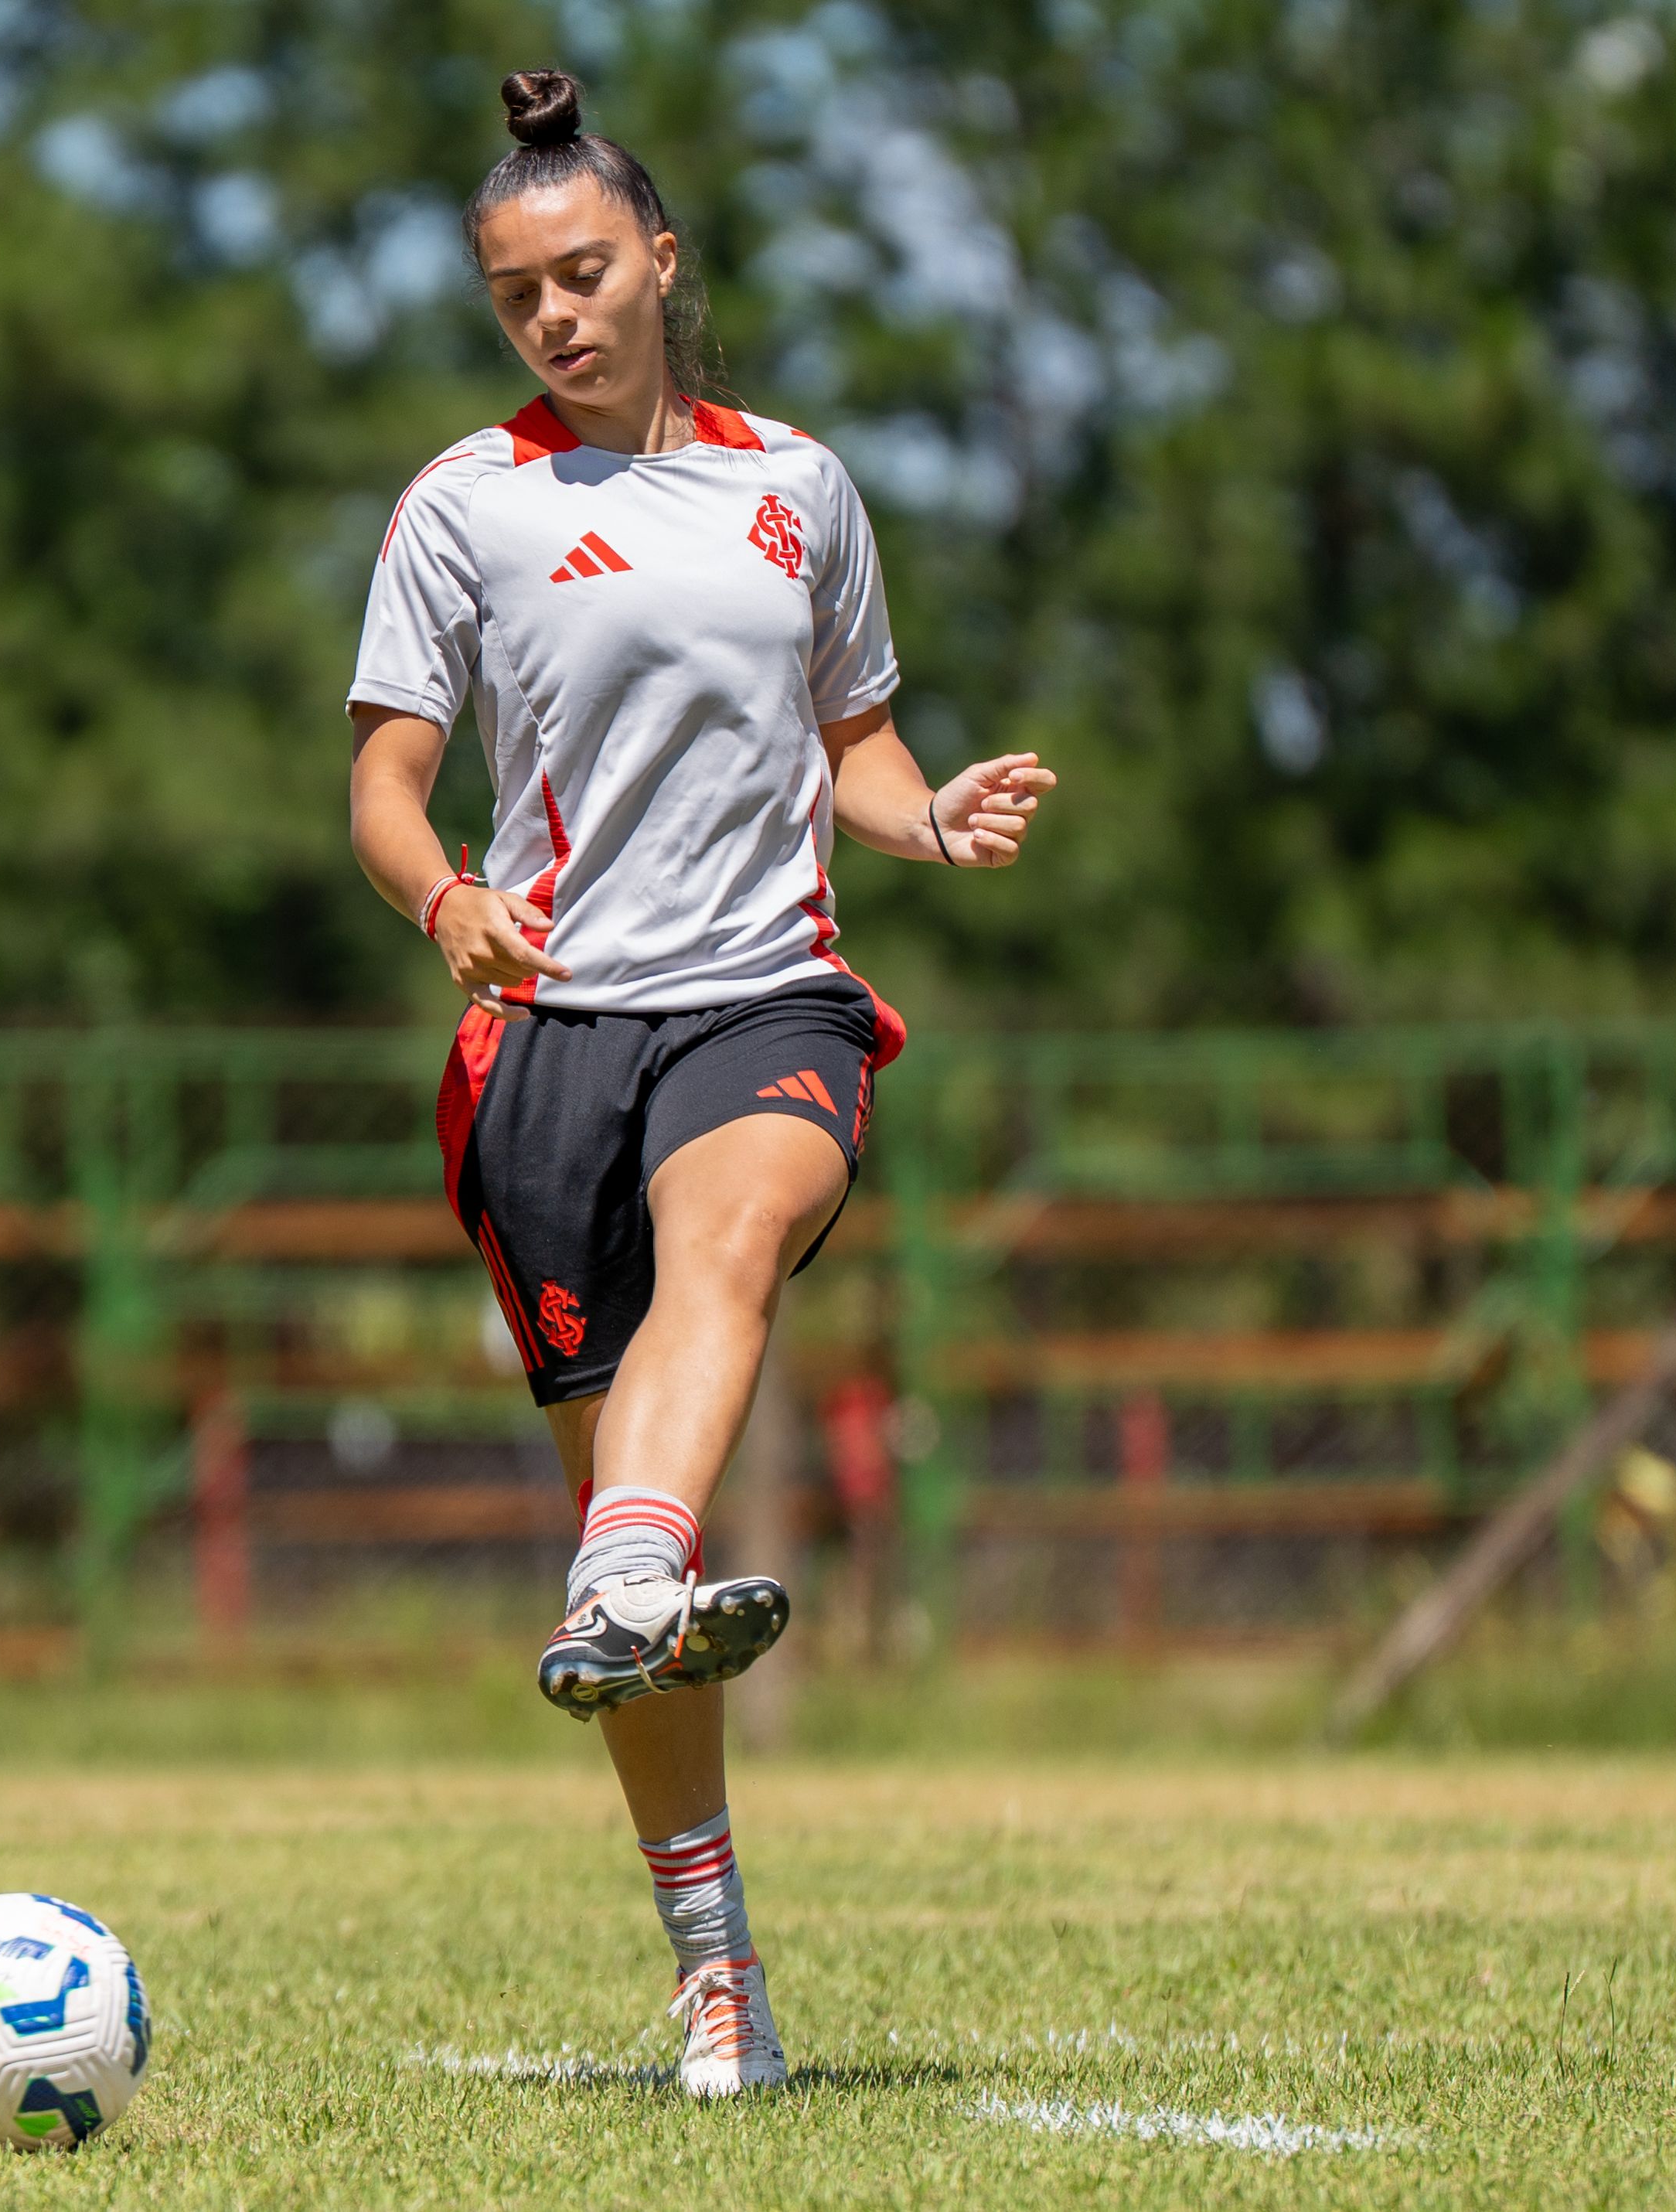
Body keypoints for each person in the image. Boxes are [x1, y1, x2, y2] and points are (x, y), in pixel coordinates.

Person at [345, 66, 1058, 2098]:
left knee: (727, 1234)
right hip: (551, 1033)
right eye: (516, 295)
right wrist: (445, 900)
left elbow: (855, 745)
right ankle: (711, 1954)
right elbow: (386, 784)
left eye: (584, 274)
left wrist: (926, 823)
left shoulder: (801, 488)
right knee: (626, 1537)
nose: (554, 317)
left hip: (765, 997)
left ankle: (628, 1566)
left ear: (661, 260)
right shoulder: (463, 504)